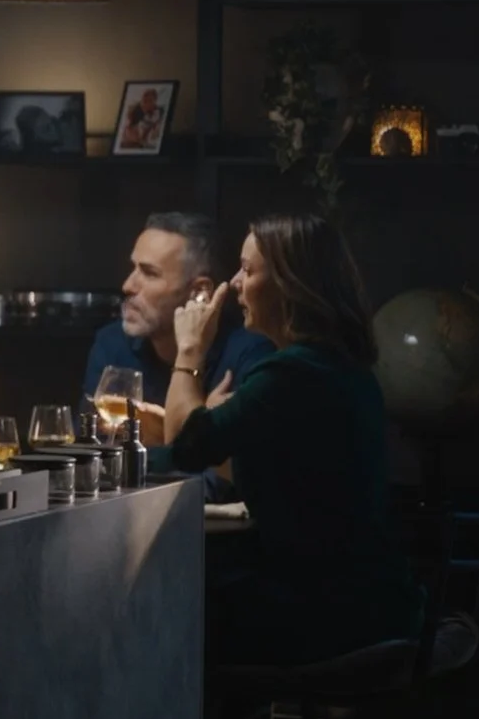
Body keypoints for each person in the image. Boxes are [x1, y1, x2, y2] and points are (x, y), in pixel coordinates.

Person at [155, 213, 422, 666]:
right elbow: (280, 470)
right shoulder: (337, 367)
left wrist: (190, 352)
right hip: (373, 603)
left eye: (247, 269)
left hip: (328, 616)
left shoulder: (291, 374)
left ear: (289, 285)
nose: (234, 283)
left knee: (164, 611)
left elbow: (185, 447)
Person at [81, 213, 275, 450]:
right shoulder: (112, 344)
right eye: (134, 268)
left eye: (149, 273)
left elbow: (236, 464)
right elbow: (94, 448)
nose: (128, 286)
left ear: (200, 292)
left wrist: (168, 437)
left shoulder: (249, 353)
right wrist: (192, 428)